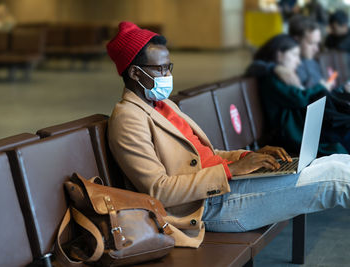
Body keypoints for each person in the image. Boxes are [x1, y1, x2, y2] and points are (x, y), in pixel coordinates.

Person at [106, 22, 350, 248]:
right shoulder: (128, 119)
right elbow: (158, 191)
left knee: (340, 161)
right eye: (159, 69)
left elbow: (207, 155)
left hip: (230, 187)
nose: (167, 75)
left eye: (168, 67)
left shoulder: (163, 105)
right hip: (211, 205)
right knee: (338, 177)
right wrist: (231, 170)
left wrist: (247, 157)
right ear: (136, 74)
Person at [254, 34, 350, 155]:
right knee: (341, 140)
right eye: (294, 55)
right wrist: (321, 87)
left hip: (305, 130)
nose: (298, 62)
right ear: (279, 55)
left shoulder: (281, 77)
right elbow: (299, 98)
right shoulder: (271, 79)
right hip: (296, 137)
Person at [246, 16, 326, 89]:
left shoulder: (311, 60)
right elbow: (253, 67)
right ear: (296, 40)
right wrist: (275, 68)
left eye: (317, 43)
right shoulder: (286, 62)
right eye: (311, 43)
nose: (317, 49)